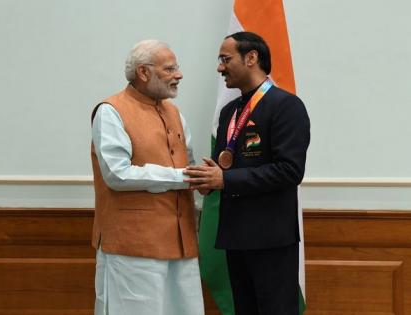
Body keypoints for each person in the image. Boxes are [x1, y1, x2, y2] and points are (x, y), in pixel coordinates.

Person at [184, 32, 310, 315]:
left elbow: (290, 171)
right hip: (235, 237)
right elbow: (226, 168)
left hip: (271, 239)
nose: (220, 67)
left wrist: (224, 180)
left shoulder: (287, 106)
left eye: (225, 59)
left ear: (251, 58)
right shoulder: (230, 112)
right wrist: (209, 181)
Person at [90, 39, 204, 315]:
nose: (179, 74)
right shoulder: (111, 111)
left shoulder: (174, 112)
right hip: (133, 248)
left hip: (181, 243)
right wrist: (183, 177)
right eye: (170, 68)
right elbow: (117, 174)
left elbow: (186, 165)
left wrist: (204, 179)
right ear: (143, 72)